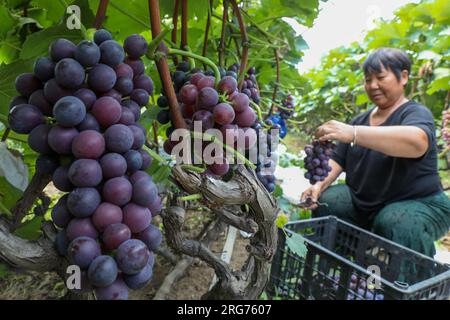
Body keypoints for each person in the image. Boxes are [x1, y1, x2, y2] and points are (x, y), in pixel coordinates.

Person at [300, 47, 450, 258]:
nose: (372, 85)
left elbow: (417, 142)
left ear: (404, 77)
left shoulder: (415, 113)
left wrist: (353, 133)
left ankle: (411, 282)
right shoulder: (360, 120)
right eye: (368, 80)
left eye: (380, 77)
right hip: (368, 205)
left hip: (423, 204)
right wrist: (317, 186)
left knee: (396, 222)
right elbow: (336, 160)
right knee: (329, 200)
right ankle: (351, 265)